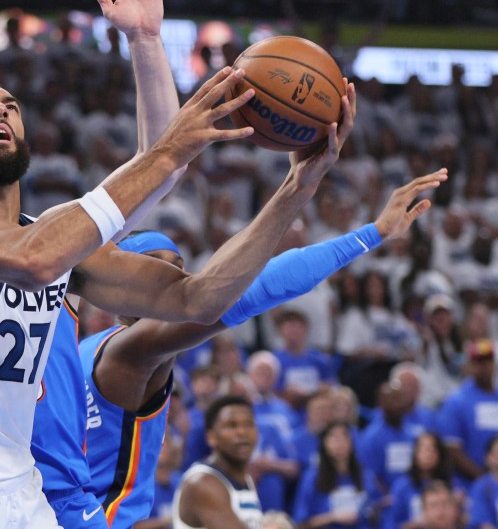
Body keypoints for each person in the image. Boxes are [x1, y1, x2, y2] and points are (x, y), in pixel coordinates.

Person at [0, 0, 351, 526]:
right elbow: (39, 254)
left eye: (9, 103)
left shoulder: (55, 237)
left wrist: (295, 188)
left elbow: (197, 297)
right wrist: (167, 152)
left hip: (24, 494)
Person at [70, 172, 442, 528]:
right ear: (119, 288)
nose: (174, 280)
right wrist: (362, 227)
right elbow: (260, 287)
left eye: (180, 270)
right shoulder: (130, 353)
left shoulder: (83, 351)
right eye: (155, 268)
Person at [437, 339, 498, 481]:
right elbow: (452, 449)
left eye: (489, 361)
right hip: (472, 484)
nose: (485, 367)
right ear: (469, 367)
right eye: (479, 362)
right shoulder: (456, 402)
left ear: (496, 365)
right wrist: (486, 481)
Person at [173, 395, 263, 529]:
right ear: (211, 437)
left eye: (248, 424)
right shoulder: (202, 483)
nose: (242, 432)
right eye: (231, 426)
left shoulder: (246, 479)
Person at [292, 421, 381, 529]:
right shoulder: (312, 478)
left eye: (344, 437)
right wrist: (333, 517)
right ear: (324, 443)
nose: (340, 442)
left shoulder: (365, 476)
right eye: (333, 437)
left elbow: (376, 508)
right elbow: (302, 524)